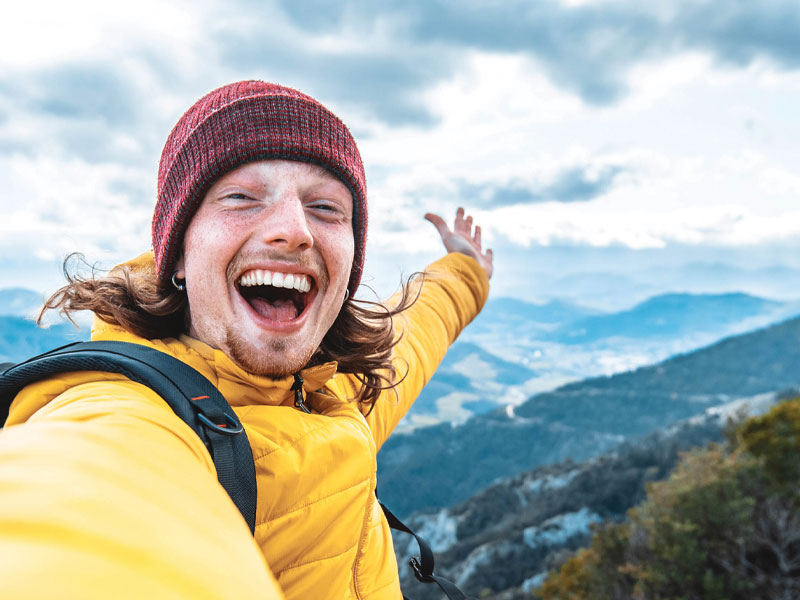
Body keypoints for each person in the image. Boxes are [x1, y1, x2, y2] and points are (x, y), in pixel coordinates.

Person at [0, 81, 492, 599]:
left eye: (325, 208)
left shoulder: (333, 392)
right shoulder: (124, 416)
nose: (293, 230)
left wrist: (465, 270)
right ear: (180, 253)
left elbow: (416, 332)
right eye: (240, 198)